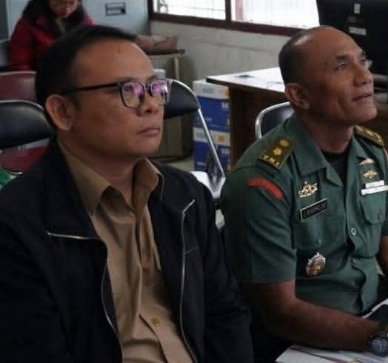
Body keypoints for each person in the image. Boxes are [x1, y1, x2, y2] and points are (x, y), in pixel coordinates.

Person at [220, 26, 388, 361]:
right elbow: (281, 313)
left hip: (373, 320)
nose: (365, 77)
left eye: (363, 61)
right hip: (298, 345)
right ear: (299, 95)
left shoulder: (371, 154)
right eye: (342, 67)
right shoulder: (263, 182)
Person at [0, 25, 253, 361]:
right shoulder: (16, 225)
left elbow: (225, 314)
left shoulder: (187, 196)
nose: (151, 105)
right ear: (63, 111)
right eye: (127, 90)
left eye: (155, 88)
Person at [9, 0, 93, 71]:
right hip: (44, 77)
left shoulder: (84, 20)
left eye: (72, 3)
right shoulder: (28, 24)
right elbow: (20, 66)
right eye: (60, 3)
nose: (66, 9)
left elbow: (96, 49)